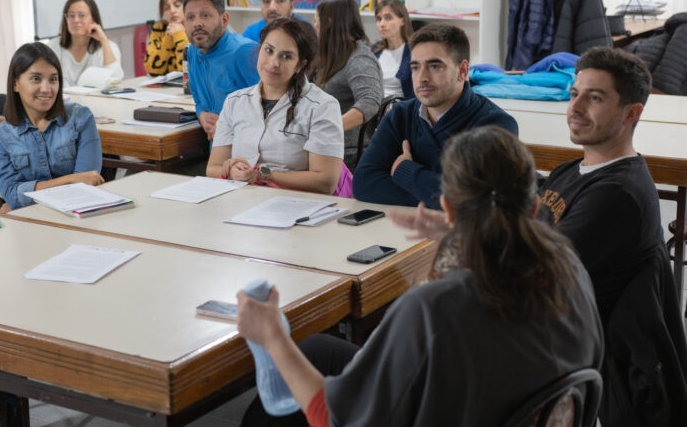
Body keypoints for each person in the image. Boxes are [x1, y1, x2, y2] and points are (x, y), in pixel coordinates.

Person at [237, 126, 603, 426]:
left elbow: (333, 419)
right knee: (318, 349)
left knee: (285, 384)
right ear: (535, 206)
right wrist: (464, 231)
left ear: (446, 206)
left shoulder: (433, 308)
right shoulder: (570, 268)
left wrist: (272, 336)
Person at [399, 47, 687, 425]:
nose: (576, 107)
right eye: (574, 94)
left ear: (632, 113)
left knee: (414, 356)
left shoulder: (618, 195)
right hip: (551, 347)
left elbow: (528, 277)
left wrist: (463, 237)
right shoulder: (576, 169)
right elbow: (523, 228)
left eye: (595, 98)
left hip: (583, 377)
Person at [353, 23, 518, 208]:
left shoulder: (496, 124)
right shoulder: (399, 115)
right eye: (415, 67)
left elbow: (477, 202)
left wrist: (404, 171)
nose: (422, 77)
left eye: (435, 66)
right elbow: (363, 184)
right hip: (401, 230)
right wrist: (442, 194)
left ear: (462, 71)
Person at [207, 17, 343, 194]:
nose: (273, 63)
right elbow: (212, 168)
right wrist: (231, 171)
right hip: (240, 199)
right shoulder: (235, 101)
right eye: (268, 50)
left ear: (300, 65)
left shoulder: (322, 106)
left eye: (286, 56)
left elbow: (325, 182)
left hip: (294, 204)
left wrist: (265, 175)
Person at [0, 42, 104, 211]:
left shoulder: (81, 118)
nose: (46, 89)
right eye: (36, 78)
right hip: (31, 222)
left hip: (78, 217)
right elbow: (12, 195)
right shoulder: (0, 137)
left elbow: (87, 186)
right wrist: (69, 180)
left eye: (53, 79)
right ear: (15, 84)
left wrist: (24, 197)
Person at [312, 0, 382, 170]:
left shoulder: (359, 57)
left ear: (328, 22)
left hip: (346, 153)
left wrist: (331, 126)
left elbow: (370, 101)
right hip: (324, 145)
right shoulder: (333, 55)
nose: (315, 27)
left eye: (316, 21)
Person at [184, 0, 259, 141]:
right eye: (190, 17)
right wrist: (202, 115)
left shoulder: (245, 51)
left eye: (205, 15)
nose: (197, 23)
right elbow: (198, 100)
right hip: (216, 145)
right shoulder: (192, 50)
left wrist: (228, 123)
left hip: (249, 146)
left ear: (224, 20)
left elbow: (271, 105)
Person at [46, 0, 123, 89]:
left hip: (96, 102)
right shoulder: (53, 46)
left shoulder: (109, 47)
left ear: (93, 18)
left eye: (82, 15)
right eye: (71, 15)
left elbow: (115, 79)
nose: (76, 20)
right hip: (63, 103)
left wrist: (103, 40)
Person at [372, 0, 415, 99]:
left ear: (402, 21)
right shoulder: (373, 50)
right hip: (373, 105)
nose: (382, 24)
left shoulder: (414, 52)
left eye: (388, 18)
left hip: (399, 108)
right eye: (379, 19)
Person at [145, 0, 188, 76]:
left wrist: (179, 35)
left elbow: (186, 71)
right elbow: (152, 69)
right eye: (166, 8)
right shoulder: (159, 29)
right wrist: (168, 37)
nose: (172, 11)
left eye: (177, 5)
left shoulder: (195, 29)